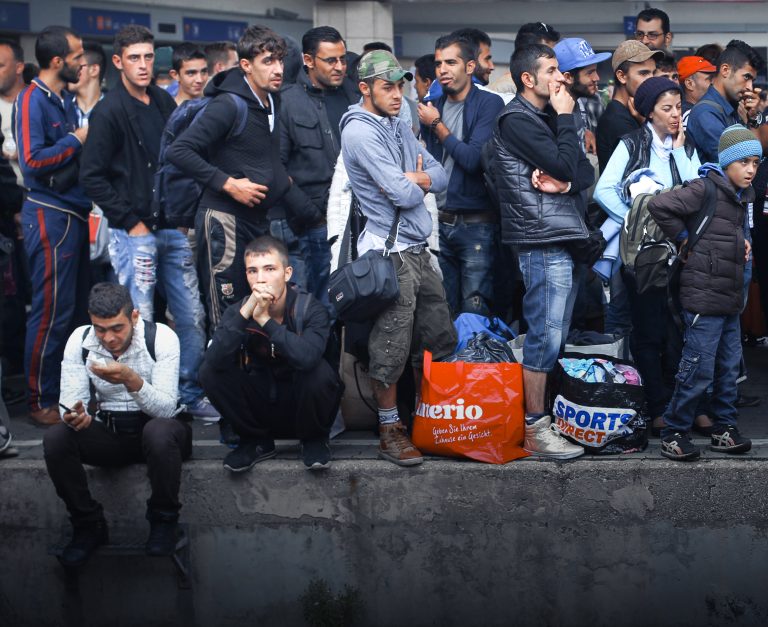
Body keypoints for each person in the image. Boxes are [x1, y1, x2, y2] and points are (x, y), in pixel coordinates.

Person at [80, 25, 214, 419]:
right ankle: (141, 403)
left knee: (192, 315)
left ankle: (187, 394)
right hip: (131, 233)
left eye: (148, 56)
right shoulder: (108, 110)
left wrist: (181, 216)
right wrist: (129, 221)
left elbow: (180, 160)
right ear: (118, 62)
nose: (143, 64)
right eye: (134, 58)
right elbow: (92, 176)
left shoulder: (161, 100)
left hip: (170, 226)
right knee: (138, 319)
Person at [340, 50, 455, 466]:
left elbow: (439, 177)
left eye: (400, 84)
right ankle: (390, 430)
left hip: (418, 251)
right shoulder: (360, 132)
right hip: (390, 255)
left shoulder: (398, 119)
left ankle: (427, 420)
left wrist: (418, 177)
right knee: (388, 347)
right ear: (365, 88)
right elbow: (405, 193)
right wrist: (416, 180)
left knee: (438, 338)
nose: (397, 93)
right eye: (387, 86)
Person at [492, 43, 594, 459]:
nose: (562, 77)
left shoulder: (546, 116)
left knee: (555, 334)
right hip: (540, 240)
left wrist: (565, 183)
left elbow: (582, 169)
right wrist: (567, 119)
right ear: (528, 79)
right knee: (544, 336)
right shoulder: (517, 119)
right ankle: (535, 428)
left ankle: (543, 421)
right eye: (552, 70)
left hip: (560, 236)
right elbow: (570, 163)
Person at [43, 282, 192, 565]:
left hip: (163, 433)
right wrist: (74, 416)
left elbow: (164, 408)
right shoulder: (80, 340)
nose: (108, 338)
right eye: (100, 329)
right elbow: (70, 400)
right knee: (56, 438)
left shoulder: (161, 337)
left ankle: (163, 521)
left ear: (134, 316)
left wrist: (130, 379)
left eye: (117, 328)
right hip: (111, 434)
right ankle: (88, 525)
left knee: (159, 431)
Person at [166, 25, 296, 331]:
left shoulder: (271, 100)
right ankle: (220, 377)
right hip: (223, 221)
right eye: (268, 62)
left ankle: (250, 375)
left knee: (258, 307)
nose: (278, 69)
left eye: (280, 61)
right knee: (227, 314)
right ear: (246, 66)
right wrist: (228, 184)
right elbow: (179, 151)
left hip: (256, 219)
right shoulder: (228, 104)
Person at [594, 77, 701, 436]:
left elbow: (694, 191)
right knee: (649, 330)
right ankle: (656, 405)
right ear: (649, 112)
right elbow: (602, 190)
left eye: (678, 108)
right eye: (666, 109)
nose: (675, 116)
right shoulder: (632, 143)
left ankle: (681, 404)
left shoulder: (685, 145)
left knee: (681, 330)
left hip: (681, 251)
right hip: (644, 255)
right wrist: (634, 217)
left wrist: (682, 152)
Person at [648, 125, 760, 460]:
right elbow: (659, 206)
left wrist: (743, 245)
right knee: (696, 369)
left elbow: (726, 236)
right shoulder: (705, 189)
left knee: (727, 370)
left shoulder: (741, 199)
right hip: (703, 299)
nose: (752, 170)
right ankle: (674, 431)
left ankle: (724, 428)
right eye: (744, 163)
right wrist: (684, 238)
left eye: (756, 163)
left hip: (728, 300)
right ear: (727, 163)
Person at [199, 236, 340, 471]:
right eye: (252, 271)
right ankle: (255, 442)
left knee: (318, 371)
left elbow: (307, 359)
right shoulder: (238, 311)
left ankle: (314, 440)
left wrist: (265, 321)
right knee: (209, 371)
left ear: (287, 273)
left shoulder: (310, 309)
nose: (261, 278)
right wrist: (246, 313)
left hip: (303, 409)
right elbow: (212, 363)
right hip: (261, 409)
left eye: (269, 269)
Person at [15, 26, 90, 425]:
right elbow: (32, 162)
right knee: (49, 313)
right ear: (58, 61)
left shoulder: (63, 99)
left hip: (73, 212)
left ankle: (68, 394)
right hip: (49, 214)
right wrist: (77, 139)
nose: (84, 62)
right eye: (78, 56)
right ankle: (38, 399)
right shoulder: (32, 99)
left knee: (75, 312)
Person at [418, 33, 504, 316]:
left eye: (451, 62)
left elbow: (472, 159)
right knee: (442, 311)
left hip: (475, 225)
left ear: (469, 67)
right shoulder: (434, 107)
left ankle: (475, 361)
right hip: (437, 224)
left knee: (474, 309)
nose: (442, 70)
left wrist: (437, 125)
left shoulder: (488, 105)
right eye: (438, 63)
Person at [279, 26, 359, 313]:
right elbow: (277, 166)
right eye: (330, 60)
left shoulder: (352, 92)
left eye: (342, 59)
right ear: (309, 60)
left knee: (357, 302)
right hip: (315, 222)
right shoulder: (287, 99)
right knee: (320, 306)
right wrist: (311, 213)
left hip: (357, 217)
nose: (340, 67)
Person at [687, 40, 764, 164]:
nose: (750, 87)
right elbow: (736, 165)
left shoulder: (733, 108)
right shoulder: (706, 113)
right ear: (725, 70)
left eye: (752, 80)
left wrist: (753, 117)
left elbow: (753, 159)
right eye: (746, 77)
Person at [596, 40, 662, 172]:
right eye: (643, 73)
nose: (651, 79)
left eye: (653, 73)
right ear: (621, 76)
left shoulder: (632, 114)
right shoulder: (617, 120)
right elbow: (645, 167)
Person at [554, 37, 611, 155]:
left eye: (595, 71)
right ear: (568, 77)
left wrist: (585, 131)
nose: (597, 78)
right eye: (590, 72)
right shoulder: (552, 113)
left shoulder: (578, 103)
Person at [0, 38, 26, 184]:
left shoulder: (38, 102)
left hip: (35, 197)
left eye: (0, 66)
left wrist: (27, 154)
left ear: (19, 68)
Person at [70, 41, 105, 127]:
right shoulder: (62, 108)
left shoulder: (113, 109)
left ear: (94, 70)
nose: (69, 72)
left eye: (76, 66)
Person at [677, 56, 716, 130]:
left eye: (715, 78)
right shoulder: (690, 115)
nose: (714, 83)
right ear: (689, 84)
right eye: (709, 79)